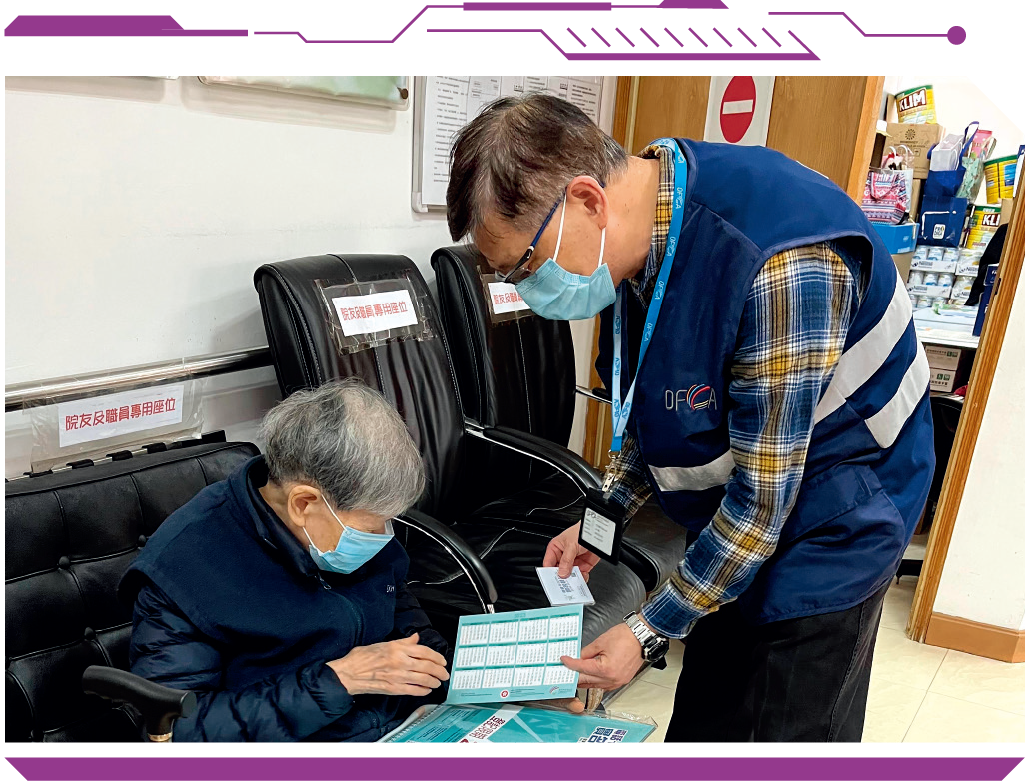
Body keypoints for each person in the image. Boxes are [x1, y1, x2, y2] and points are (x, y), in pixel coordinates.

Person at [446, 94, 935, 742]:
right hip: (747, 503)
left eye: (526, 267)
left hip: (840, 509)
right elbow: (648, 411)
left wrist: (645, 631)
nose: (527, 293)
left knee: (783, 722)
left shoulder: (776, 263)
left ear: (588, 201)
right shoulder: (636, 238)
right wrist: (601, 519)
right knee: (709, 712)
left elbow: (762, 507)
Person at [119, 379, 451, 742]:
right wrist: (337, 682)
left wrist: (454, 675)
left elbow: (396, 605)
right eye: (371, 525)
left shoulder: (341, 522)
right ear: (303, 504)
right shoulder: (183, 568)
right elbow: (178, 730)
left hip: (408, 728)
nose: (381, 537)